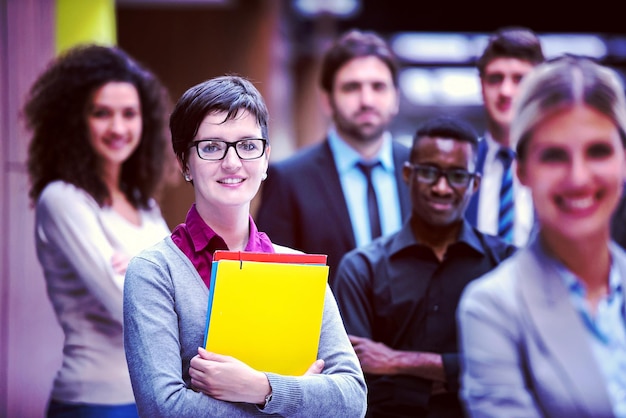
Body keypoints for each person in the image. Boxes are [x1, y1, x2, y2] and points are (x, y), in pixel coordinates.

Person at [122, 75, 367, 417]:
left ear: (265, 158)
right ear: (183, 162)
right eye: (211, 147)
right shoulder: (154, 271)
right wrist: (296, 402)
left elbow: (352, 398)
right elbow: (165, 408)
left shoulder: (299, 269)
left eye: (248, 146)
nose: (232, 163)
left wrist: (262, 389)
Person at [457, 55, 626, 417]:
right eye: (554, 156)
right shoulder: (493, 308)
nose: (579, 177)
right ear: (521, 170)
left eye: (598, 151)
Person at [24, 44, 172, 417]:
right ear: (76, 120)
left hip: (153, 398)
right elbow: (130, 309)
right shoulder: (63, 200)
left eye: (129, 114)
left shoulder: (144, 205)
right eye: (101, 113)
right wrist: (155, 270)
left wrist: (137, 269)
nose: (118, 128)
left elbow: (179, 285)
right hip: (95, 402)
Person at [333, 116, 516, 417]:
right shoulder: (362, 268)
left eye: (457, 175)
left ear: (474, 184)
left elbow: (511, 369)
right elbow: (357, 384)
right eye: (430, 172)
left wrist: (398, 361)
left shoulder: (506, 265)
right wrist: (457, 374)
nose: (442, 188)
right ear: (408, 174)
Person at [256, 29, 411, 284]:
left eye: (378, 86)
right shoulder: (288, 180)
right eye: (352, 87)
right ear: (327, 101)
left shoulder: (420, 170)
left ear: (395, 97)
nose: (366, 100)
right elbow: (274, 281)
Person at [465, 27, 545, 247]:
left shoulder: (559, 167)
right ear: (481, 86)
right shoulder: (462, 167)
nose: (506, 91)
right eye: (495, 79)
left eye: (519, 79)